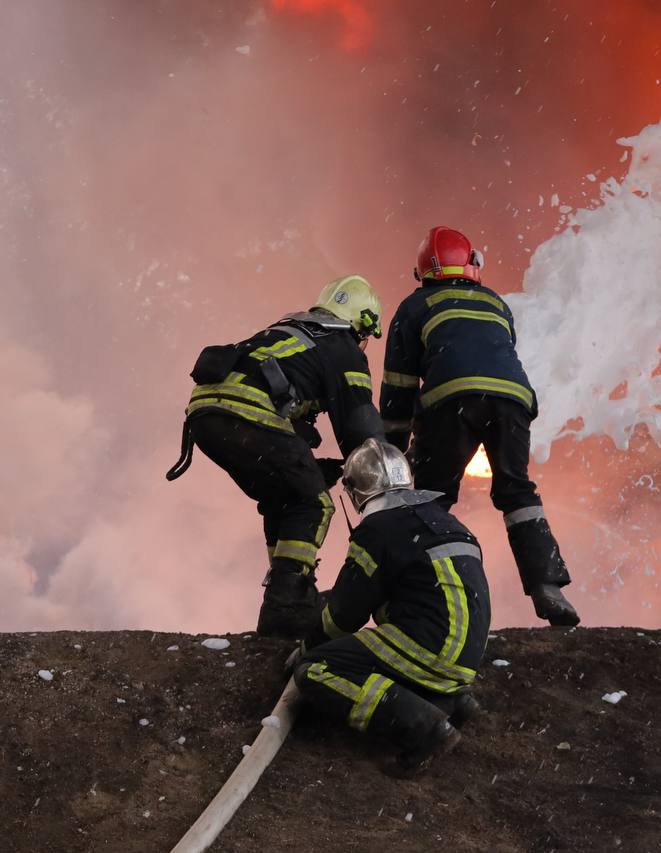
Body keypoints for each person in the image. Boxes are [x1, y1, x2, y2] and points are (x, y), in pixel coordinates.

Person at [379, 225, 580, 627]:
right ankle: (547, 586)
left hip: (451, 403)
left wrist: (393, 453)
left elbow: (398, 388)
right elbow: (496, 358)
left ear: (422, 274)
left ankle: (416, 596)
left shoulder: (415, 307)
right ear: (472, 263)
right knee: (516, 489)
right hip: (514, 402)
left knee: (430, 499)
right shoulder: (494, 302)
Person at [166, 275, 385, 638]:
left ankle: (286, 596)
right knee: (313, 504)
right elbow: (360, 428)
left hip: (206, 416)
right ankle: (287, 604)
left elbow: (286, 428)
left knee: (283, 499)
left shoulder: (290, 331)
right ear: (363, 323)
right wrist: (383, 477)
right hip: (246, 414)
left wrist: (320, 468)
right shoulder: (342, 347)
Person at [292, 438, 488, 776]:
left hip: (429, 646)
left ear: (355, 492)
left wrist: (306, 647)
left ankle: (425, 731)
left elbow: (345, 614)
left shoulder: (379, 529)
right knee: (383, 652)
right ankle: (452, 700)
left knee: (317, 669)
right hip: (465, 656)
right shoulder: (443, 520)